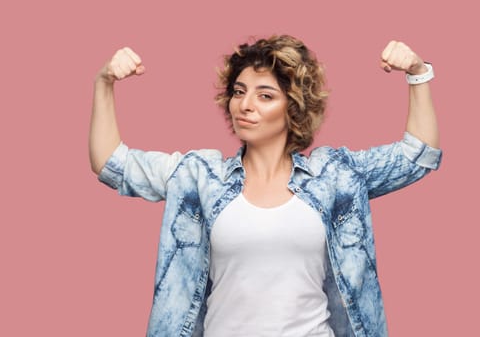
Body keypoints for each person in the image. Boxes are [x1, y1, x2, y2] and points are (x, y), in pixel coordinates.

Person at [89, 35, 441, 337]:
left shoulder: (334, 175)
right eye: (239, 92)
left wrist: (417, 73)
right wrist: (103, 83)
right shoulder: (199, 175)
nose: (245, 105)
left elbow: (418, 155)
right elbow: (111, 163)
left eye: (265, 96)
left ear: (294, 108)